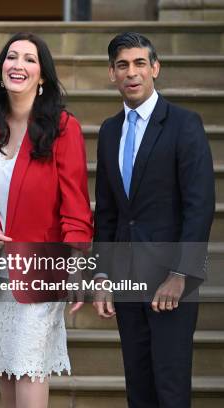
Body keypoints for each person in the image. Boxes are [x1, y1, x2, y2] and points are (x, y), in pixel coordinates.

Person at [0, 32, 93, 408]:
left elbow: (76, 207)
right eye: (11, 57)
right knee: (7, 369)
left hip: (41, 267)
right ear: (1, 70)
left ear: (42, 75)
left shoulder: (64, 127)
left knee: (29, 369)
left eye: (30, 59)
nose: (18, 65)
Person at [92, 32, 214, 408]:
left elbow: (200, 206)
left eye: (140, 63)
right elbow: (109, 211)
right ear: (112, 73)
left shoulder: (184, 124)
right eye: (123, 65)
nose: (133, 73)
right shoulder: (110, 131)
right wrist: (101, 275)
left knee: (171, 389)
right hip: (128, 281)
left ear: (155, 68)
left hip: (170, 284)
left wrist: (180, 275)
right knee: (139, 389)